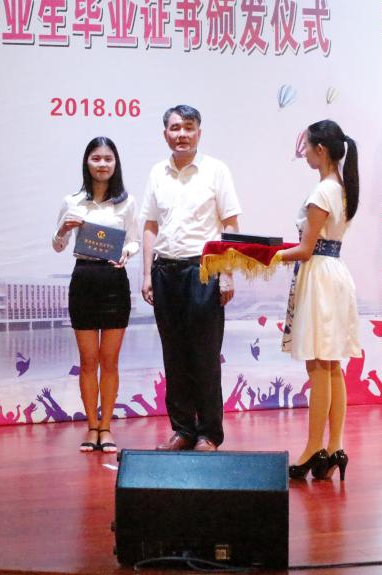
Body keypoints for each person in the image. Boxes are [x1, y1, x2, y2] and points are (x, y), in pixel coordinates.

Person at [141, 105, 241, 453]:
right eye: (174, 128)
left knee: (205, 354)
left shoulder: (216, 170)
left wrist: (227, 274)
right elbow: (150, 225)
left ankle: (209, 433)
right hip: (165, 272)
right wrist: (147, 274)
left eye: (188, 127)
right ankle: (182, 429)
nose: (181, 134)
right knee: (174, 355)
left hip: (204, 270)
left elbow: (230, 225)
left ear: (199, 132)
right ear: (165, 134)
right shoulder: (157, 173)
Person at [276, 120, 361, 481]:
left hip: (320, 277)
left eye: (308, 147)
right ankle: (335, 446)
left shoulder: (323, 191)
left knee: (319, 365)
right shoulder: (341, 187)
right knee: (332, 365)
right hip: (334, 274)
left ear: (320, 150)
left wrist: (264, 256)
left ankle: (314, 447)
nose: (306, 154)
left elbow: (305, 249)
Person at [52, 137, 139, 454]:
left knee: (110, 361)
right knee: (88, 361)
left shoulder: (127, 202)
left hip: (114, 280)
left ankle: (106, 428)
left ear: (116, 164)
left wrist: (126, 253)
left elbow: (134, 240)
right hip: (84, 279)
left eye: (108, 159)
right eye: (96, 158)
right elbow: (58, 245)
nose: (102, 164)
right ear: (87, 162)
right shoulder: (72, 201)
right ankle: (91, 427)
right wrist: (64, 229)